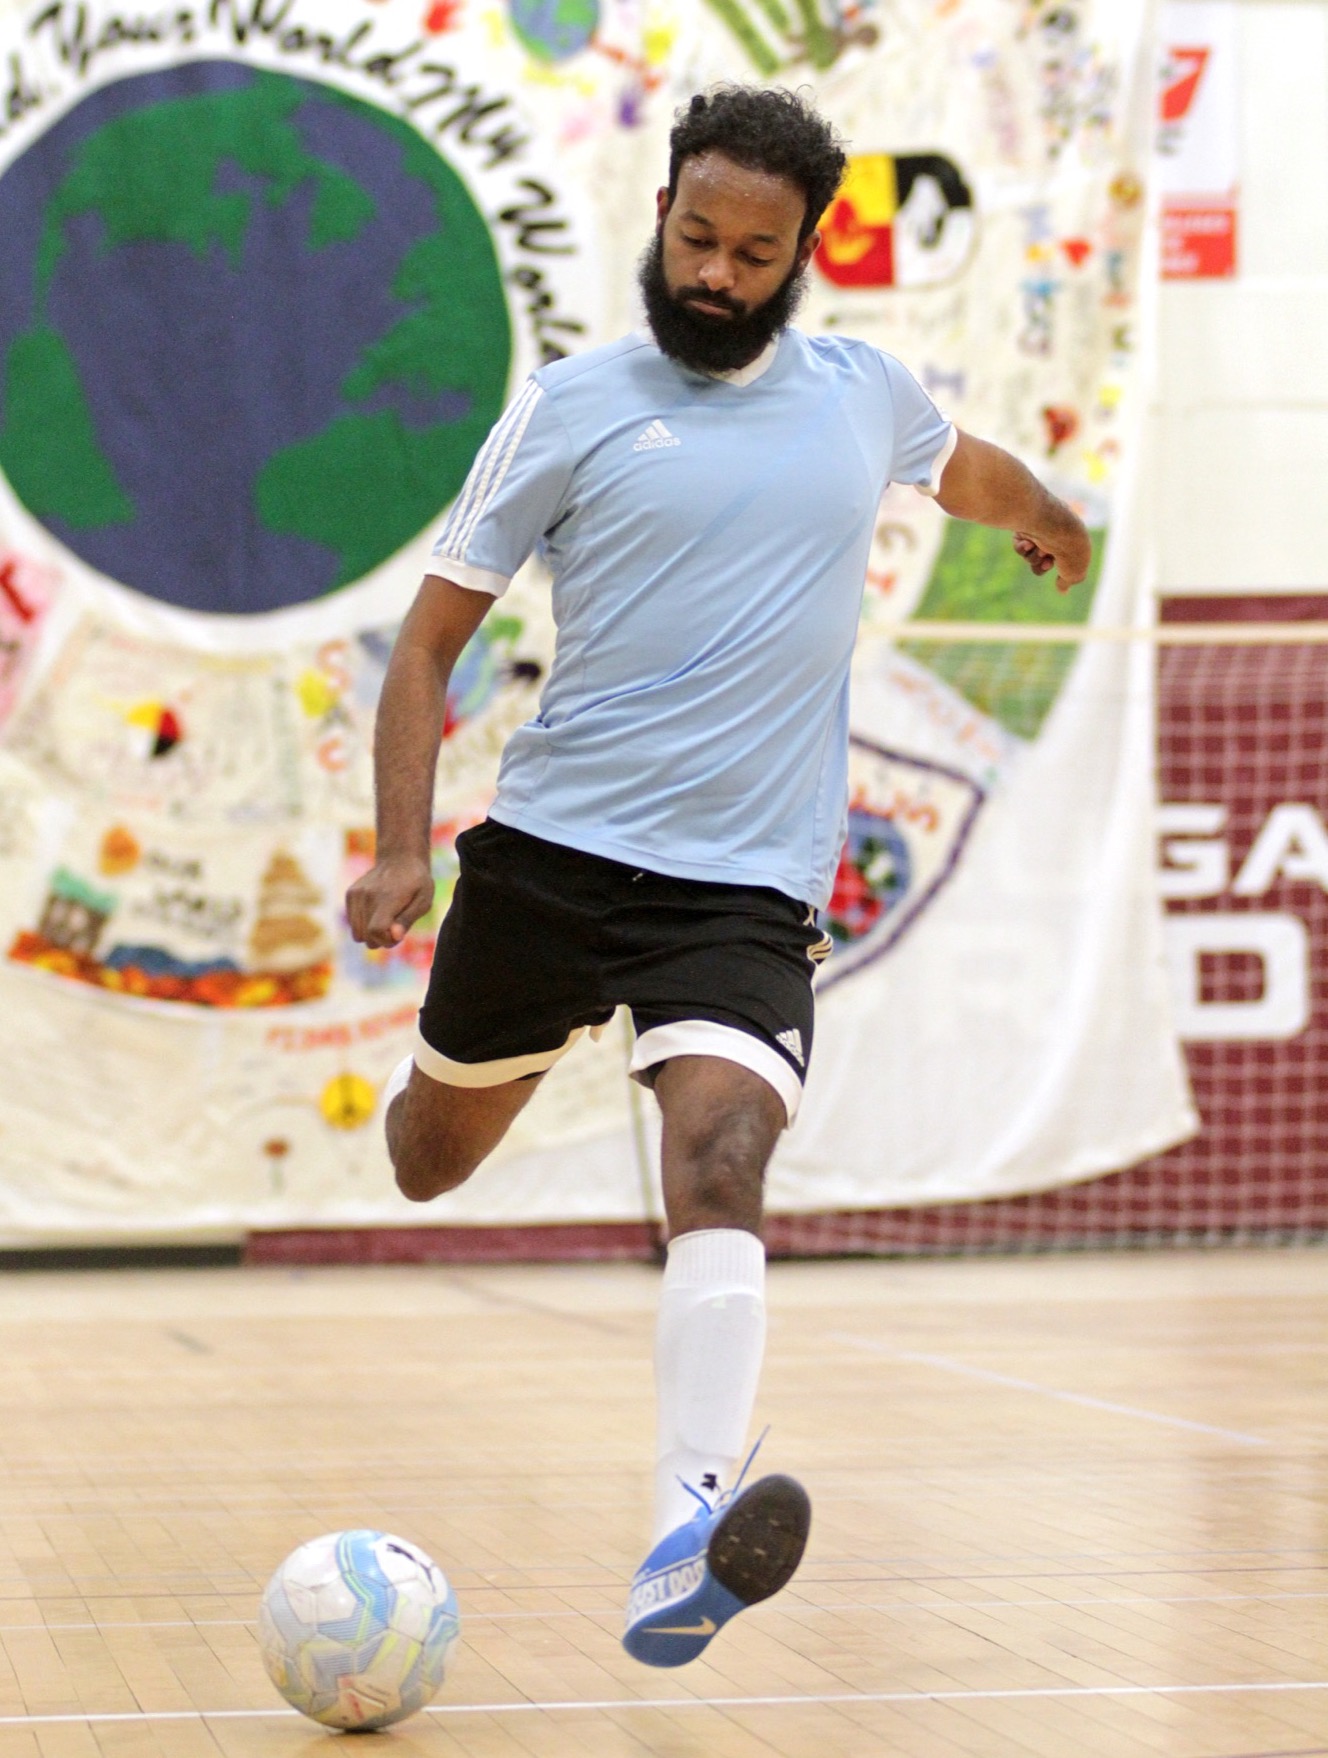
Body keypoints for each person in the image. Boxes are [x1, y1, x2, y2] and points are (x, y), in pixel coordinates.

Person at [346, 84, 1091, 1669]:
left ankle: (687, 1524)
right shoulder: (573, 402)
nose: (717, 275)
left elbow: (974, 475)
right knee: (426, 1157)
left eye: (755, 253)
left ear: (804, 249)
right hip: (551, 863)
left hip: (741, 890)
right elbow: (428, 644)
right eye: (696, 238)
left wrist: (1056, 521)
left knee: (727, 1156)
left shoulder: (864, 394)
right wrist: (408, 847)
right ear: (663, 215)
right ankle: (477, 1068)